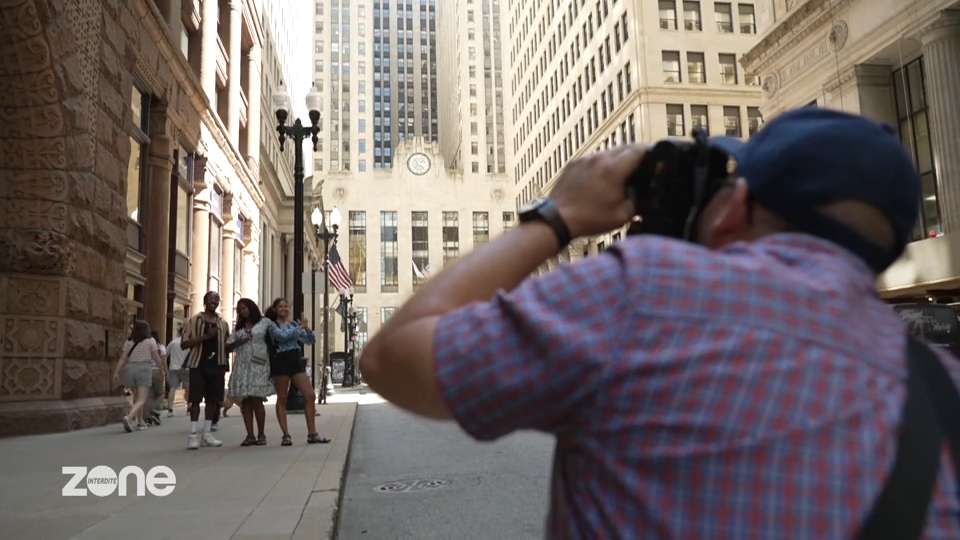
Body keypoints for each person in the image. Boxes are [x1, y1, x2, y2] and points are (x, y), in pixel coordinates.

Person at [359, 108, 960, 538]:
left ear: (735, 208)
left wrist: (558, 215)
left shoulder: (646, 292)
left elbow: (392, 358)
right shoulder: (943, 389)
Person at [265, 297, 330, 445]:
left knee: (310, 395)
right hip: (281, 360)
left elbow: (310, 340)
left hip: (295, 360)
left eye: (286, 306)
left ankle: (312, 433)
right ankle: (286, 435)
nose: (284, 309)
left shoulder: (293, 324)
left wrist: (306, 328)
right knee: (282, 397)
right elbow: (281, 337)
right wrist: (299, 328)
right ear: (275, 309)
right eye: (281, 307)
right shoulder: (272, 325)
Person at [181, 291, 238, 450]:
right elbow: (184, 344)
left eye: (216, 299)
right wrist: (205, 337)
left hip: (217, 365)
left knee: (213, 401)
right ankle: (193, 434)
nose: (214, 301)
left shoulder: (223, 323)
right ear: (205, 302)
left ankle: (207, 433)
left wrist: (236, 344)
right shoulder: (194, 321)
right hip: (198, 364)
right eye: (211, 299)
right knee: (195, 400)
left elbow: (226, 346)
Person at [226, 298, 275, 446]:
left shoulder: (265, 323)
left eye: (244, 308)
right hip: (242, 365)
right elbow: (227, 347)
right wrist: (237, 342)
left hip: (259, 365)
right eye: (239, 309)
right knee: (245, 401)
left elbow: (274, 339)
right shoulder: (238, 328)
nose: (242, 311)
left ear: (251, 307)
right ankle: (250, 435)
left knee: (257, 400)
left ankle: (261, 434)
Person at [113, 320, 166, 432]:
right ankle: (129, 417)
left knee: (136, 397)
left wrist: (117, 372)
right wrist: (161, 370)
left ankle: (140, 422)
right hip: (144, 369)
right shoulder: (150, 341)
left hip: (130, 369)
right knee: (142, 399)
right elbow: (156, 357)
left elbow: (123, 358)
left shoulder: (129, 342)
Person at [166, 327, 189, 417]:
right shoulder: (188, 343)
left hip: (173, 368)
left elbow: (165, 355)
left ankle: (170, 409)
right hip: (186, 368)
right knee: (188, 388)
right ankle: (189, 408)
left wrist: (166, 368)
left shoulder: (173, 343)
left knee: (172, 388)